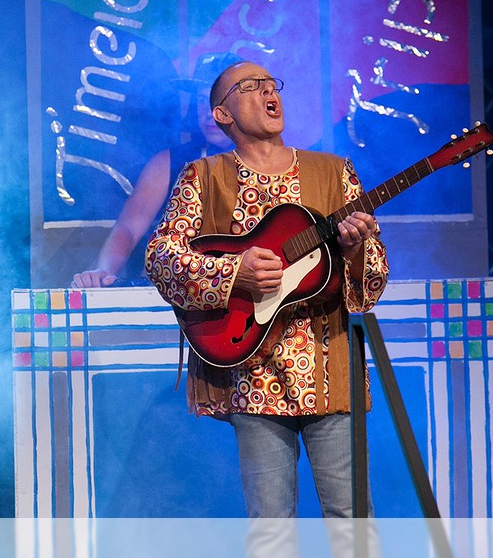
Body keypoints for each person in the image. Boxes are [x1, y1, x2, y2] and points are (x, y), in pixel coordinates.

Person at [145, 61, 388, 556]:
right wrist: (234, 272)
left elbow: (372, 284)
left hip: (330, 366)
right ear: (222, 113)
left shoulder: (333, 172)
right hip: (252, 373)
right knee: (271, 529)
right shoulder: (203, 177)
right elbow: (160, 257)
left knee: (352, 521)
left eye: (270, 84)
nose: (267, 92)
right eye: (250, 87)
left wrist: (357, 248)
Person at [71, 52, 240, 288]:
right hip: (177, 294)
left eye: (218, 100)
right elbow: (128, 229)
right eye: (202, 101)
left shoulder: (273, 162)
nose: (209, 111)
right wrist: (104, 273)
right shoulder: (169, 163)